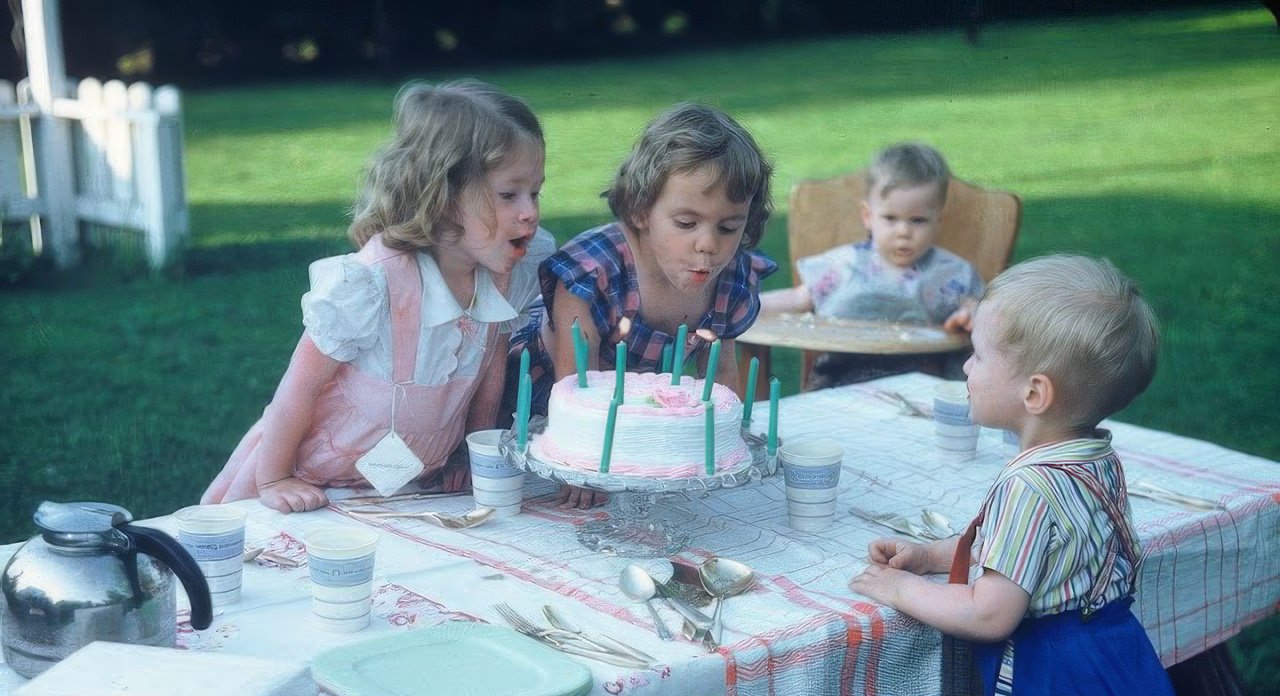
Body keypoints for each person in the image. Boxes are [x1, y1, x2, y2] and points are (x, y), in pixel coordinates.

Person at [849, 255, 1269, 696]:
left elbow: (990, 613)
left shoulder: (1028, 486)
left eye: (980, 355)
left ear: (1035, 392)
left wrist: (896, 589)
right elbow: (1041, 554)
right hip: (1128, 672)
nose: (966, 367)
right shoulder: (1094, 458)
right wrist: (932, 557)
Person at [202, 79, 553, 513]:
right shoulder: (372, 285)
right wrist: (275, 477)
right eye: (509, 194)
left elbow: (488, 373)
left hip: (407, 487)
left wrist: (468, 452)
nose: (530, 212)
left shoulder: (505, 275)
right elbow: (299, 388)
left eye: (535, 192)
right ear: (443, 195)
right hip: (311, 480)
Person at [531, 102, 777, 507]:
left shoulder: (728, 276)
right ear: (641, 210)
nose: (709, 245)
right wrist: (584, 463)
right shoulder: (593, 271)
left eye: (729, 226)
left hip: (636, 433)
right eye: (686, 223)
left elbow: (720, 375)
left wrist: (724, 448)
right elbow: (572, 380)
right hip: (546, 413)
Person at [760, 142, 984, 389]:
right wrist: (744, 306)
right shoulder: (845, 265)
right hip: (841, 381)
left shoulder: (952, 275)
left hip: (921, 386)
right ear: (868, 216)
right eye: (890, 218)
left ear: (938, 220)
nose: (903, 232)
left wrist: (972, 314)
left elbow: (982, 312)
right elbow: (796, 298)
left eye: (918, 220)